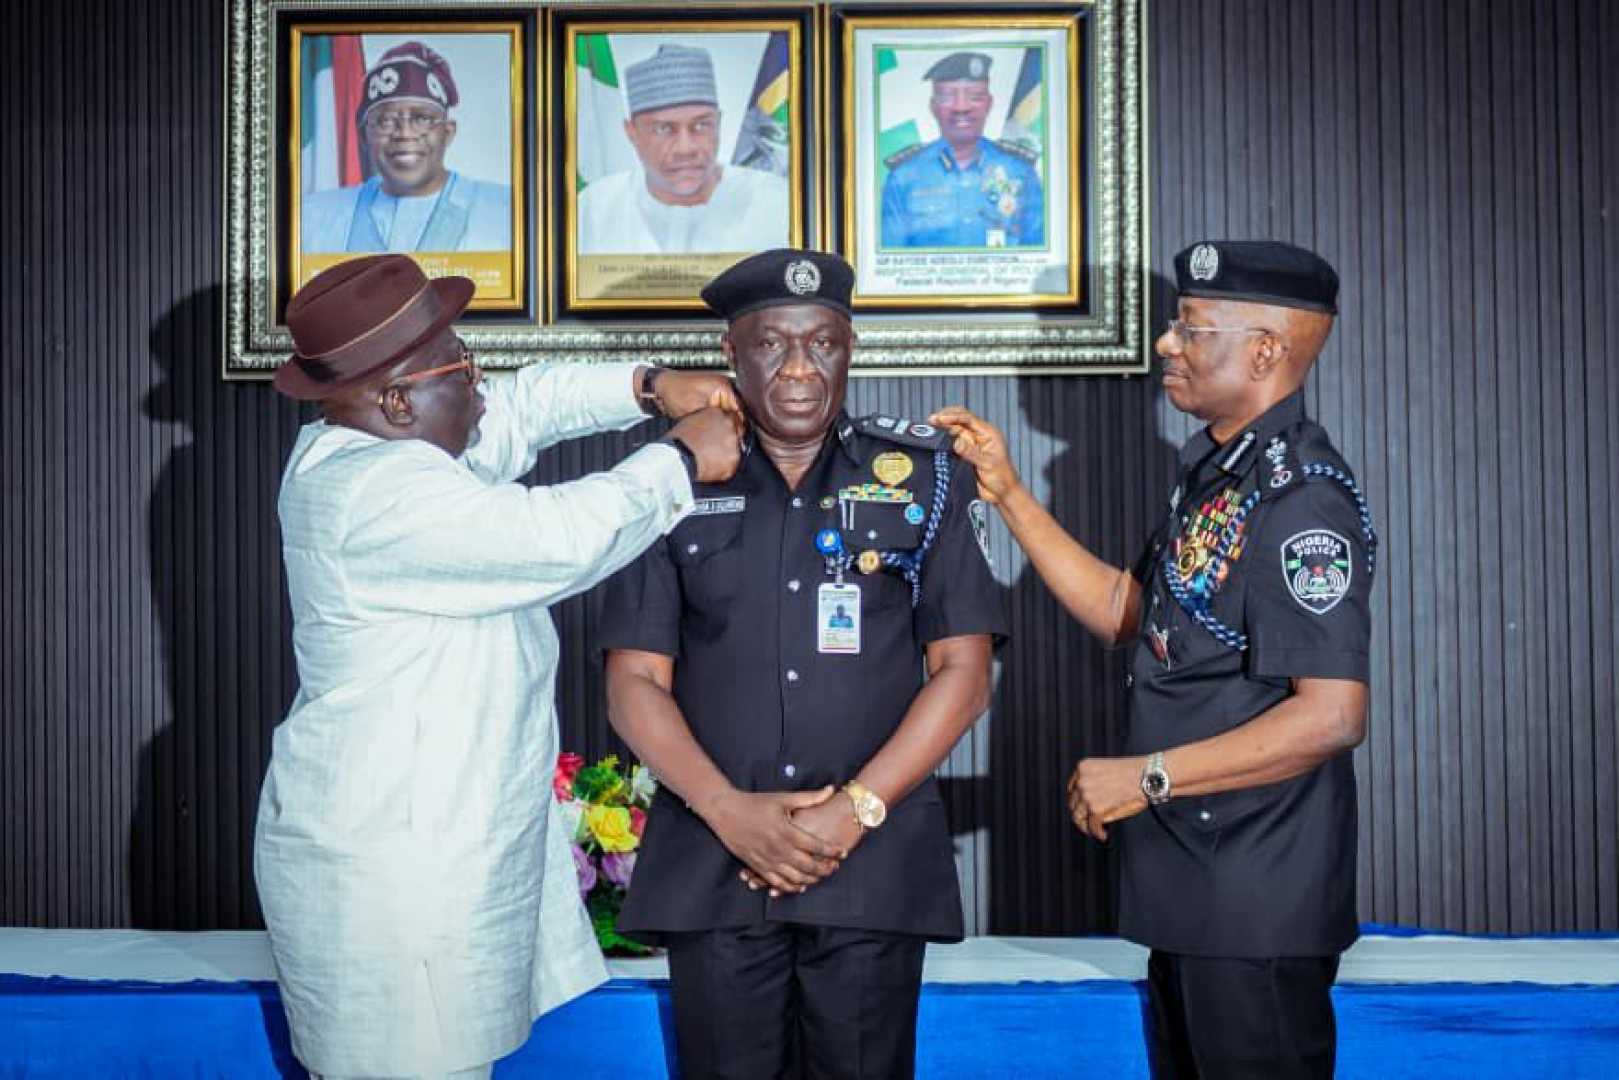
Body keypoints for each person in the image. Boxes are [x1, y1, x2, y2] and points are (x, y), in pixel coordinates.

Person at [254, 253, 742, 1080]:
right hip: (397, 872)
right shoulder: (374, 493)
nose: (483, 382)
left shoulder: (388, 443)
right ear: (398, 401)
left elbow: (527, 404)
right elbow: (557, 539)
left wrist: (650, 385)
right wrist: (680, 459)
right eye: (463, 368)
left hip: (435, 847)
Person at [933, 240, 1376, 1079]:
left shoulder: (1301, 496)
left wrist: (1147, 777)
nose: (1167, 344)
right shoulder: (1218, 475)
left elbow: (1331, 715)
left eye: (1190, 328)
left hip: (1255, 897)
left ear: (1265, 351)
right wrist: (1008, 493)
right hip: (1197, 885)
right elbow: (1128, 614)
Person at [598, 248, 1007, 1078]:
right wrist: (727, 810)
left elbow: (963, 674)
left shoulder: (923, 477)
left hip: (868, 862)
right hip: (716, 859)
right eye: (771, 344)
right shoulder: (667, 480)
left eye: (821, 343)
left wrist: (855, 808)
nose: (797, 368)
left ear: (849, 349)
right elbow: (633, 681)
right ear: (730, 353)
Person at [576, 44, 790, 255]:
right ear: (631, 132)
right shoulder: (595, 208)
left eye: (701, 125)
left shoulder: (775, 201)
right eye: (663, 129)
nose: (685, 149)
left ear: (718, 122)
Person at [302, 41, 512, 253]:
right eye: (385, 121)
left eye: (422, 119)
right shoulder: (312, 218)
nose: (404, 133)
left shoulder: (507, 213)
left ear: (447, 132)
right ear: (364, 136)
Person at [880, 52, 1044, 249]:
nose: (961, 107)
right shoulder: (904, 176)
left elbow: (1039, 252)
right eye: (947, 97)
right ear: (933, 107)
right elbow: (890, 256)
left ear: (989, 104)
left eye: (974, 97)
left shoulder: (1020, 171)